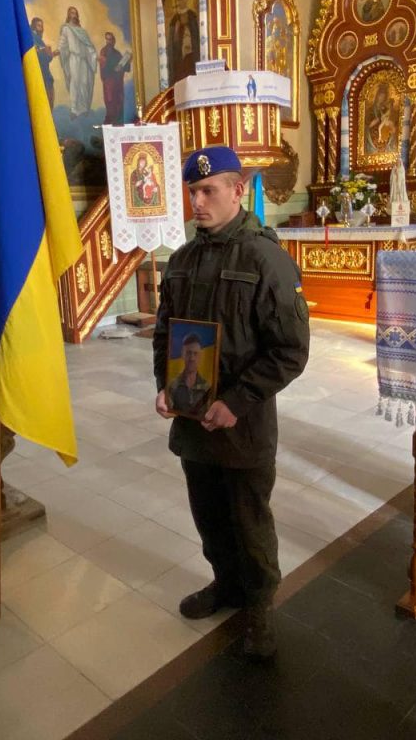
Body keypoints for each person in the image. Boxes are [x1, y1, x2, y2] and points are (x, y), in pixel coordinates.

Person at [152, 146, 310, 660]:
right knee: (209, 515)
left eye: (208, 190)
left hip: (242, 424)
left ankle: (259, 605)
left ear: (238, 190)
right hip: (193, 419)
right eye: (192, 192)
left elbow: (291, 350)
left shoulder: (266, 259)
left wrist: (237, 401)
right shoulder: (182, 260)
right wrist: (166, 385)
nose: (197, 202)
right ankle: (225, 583)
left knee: (249, 520)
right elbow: (165, 334)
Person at [58, 6, 97, 120]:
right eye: (72, 13)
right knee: (74, 82)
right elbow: (62, 42)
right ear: (68, 15)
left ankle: (83, 109)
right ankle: (74, 109)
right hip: (74, 58)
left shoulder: (82, 31)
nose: (74, 15)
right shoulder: (66, 29)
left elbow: (89, 47)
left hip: (84, 60)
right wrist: (58, 50)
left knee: (84, 83)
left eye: (75, 13)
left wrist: (95, 56)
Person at [166, 333, 211, 415]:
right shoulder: (173, 385)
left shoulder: (207, 387)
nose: (192, 358)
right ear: (182, 354)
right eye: (188, 353)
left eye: (195, 353)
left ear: (200, 356)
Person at [168, 0, 199, 84]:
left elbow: (196, 33)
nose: (183, 1)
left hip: (192, 50)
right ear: (178, 1)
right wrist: (177, 30)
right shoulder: (175, 19)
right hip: (180, 52)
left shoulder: (192, 15)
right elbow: (173, 40)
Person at [99, 32, 130, 125]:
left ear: (114, 41)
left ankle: (118, 122)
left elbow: (125, 67)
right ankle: (111, 121)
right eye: (107, 39)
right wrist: (114, 69)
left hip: (118, 83)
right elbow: (104, 67)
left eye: (111, 39)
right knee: (110, 101)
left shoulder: (117, 53)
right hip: (109, 82)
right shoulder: (104, 52)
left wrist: (127, 60)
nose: (109, 41)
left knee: (119, 101)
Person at [30, 17, 58, 108]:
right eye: (38, 26)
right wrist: (44, 49)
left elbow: (46, 58)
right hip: (39, 74)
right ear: (33, 26)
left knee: (49, 100)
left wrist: (52, 54)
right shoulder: (32, 37)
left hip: (46, 75)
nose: (41, 28)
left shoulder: (39, 39)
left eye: (42, 26)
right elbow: (34, 51)